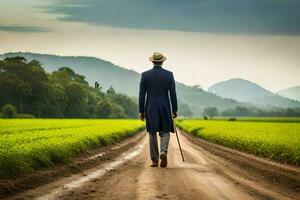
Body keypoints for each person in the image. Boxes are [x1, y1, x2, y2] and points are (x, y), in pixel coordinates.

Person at [139, 52, 178, 168]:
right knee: (165, 131)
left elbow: (142, 94)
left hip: (150, 107)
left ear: (152, 61)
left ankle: (155, 160)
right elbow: (173, 93)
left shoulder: (145, 75)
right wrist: (174, 109)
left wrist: (141, 111)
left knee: (152, 132)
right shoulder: (169, 75)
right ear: (162, 61)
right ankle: (163, 152)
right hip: (165, 106)